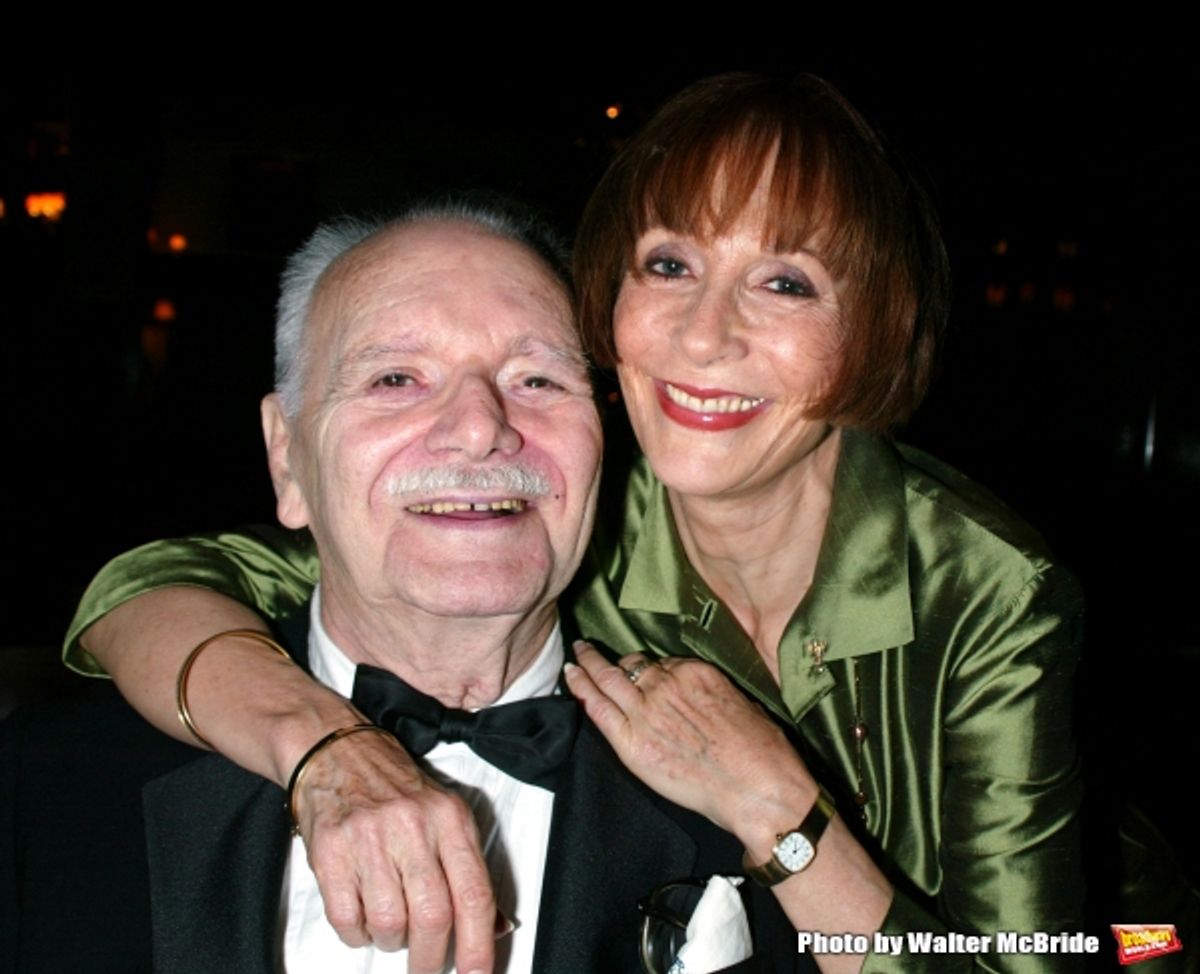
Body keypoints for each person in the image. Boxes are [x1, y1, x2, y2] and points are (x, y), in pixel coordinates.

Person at [63, 75, 1086, 972]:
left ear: (872, 329)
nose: (702, 332)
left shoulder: (986, 582)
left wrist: (784, 814)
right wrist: (327, 745)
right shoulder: (552, 518)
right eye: (670, 264)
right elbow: (140, 592)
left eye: (785, 281)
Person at [3, 201, 804, 974]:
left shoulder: (753, 797)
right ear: (287, 458)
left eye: (537, 379)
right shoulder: (47, 792)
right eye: (395, 379)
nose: (481, 426)